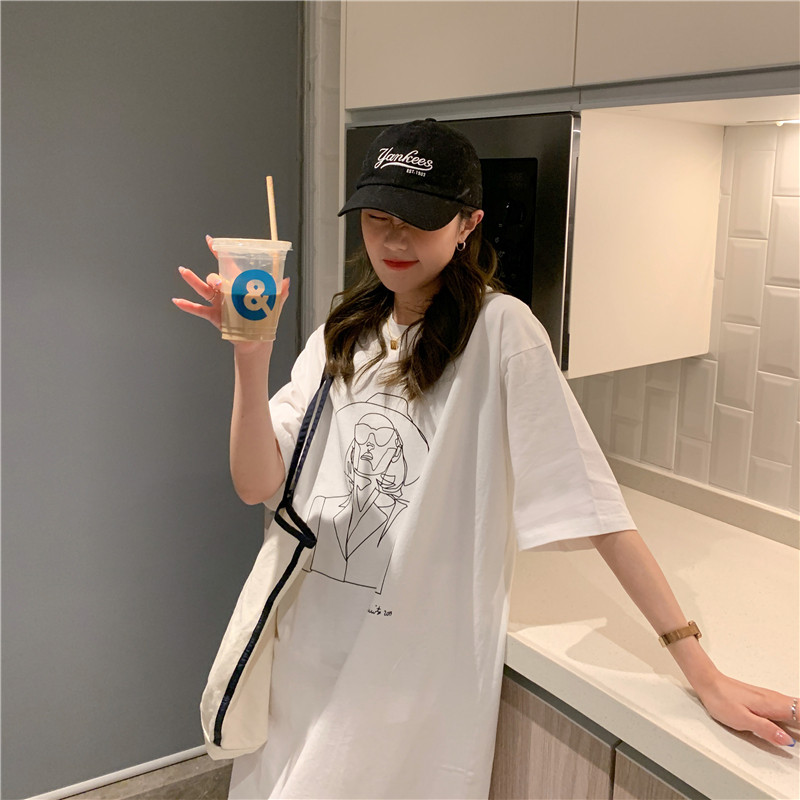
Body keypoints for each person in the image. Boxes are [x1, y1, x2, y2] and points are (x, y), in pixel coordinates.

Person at [173, 119, 797, 799]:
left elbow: (595, 508)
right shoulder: (341, 334)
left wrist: (702, 672)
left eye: (418, 220)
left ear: (467, 224)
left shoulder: (501, 332)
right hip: (306, 656)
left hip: (405, 684)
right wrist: (250, 356)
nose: (393, 240)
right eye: (377, 218)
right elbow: (257, 484)